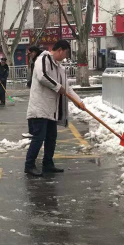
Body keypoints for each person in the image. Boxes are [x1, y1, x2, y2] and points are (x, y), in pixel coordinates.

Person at [24, 39, 84, 177]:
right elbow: (42, 76)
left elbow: (67, 88)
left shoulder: (60, 68)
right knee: (39, 137)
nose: (65, 57)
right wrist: (58, 87)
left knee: (51, 137)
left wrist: (79, 102)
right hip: (40, 108)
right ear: (60, 50)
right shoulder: (43, 59)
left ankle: (48, 164)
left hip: (52, 109)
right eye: (66, 53)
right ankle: (29, 165)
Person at [22, 46, 43, 138]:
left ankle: (33, 131)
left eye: (29, 54)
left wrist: (32, 83)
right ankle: (34, 131)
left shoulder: (39, 61)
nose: (29, 56)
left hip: (39, 90)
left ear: (34, 52)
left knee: (33, 112)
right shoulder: (37, 60)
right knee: (34, 112)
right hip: (36, 89)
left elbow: (42, 77)